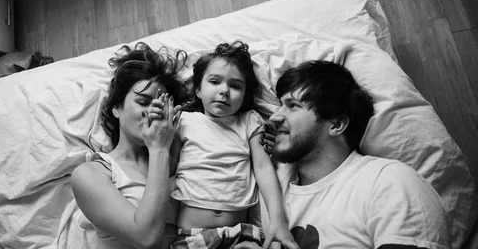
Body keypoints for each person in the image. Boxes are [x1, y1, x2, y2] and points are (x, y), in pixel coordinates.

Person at [259, 60, 451, 249]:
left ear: (336, 125)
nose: (275, 117)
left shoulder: (388, 182)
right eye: (279, 106)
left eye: (293, 105)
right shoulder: (273, 192)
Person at [170, 41, 299, 249]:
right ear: (198, 90)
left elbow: (264, 168)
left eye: (235, 86)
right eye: (214, 82)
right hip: (192, 236)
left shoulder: (249, 121)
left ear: (245, 96)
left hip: (242, 235)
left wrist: (278, 221)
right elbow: (168, 168)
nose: (224, 91)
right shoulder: (184, 121)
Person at [71, 43, 190, 249]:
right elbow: (146, 238)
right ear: (117, 108)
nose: (153, 111)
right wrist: (159, 148)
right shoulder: (90, 174)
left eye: (161, 105)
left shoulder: (179, 155)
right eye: (143, 102)